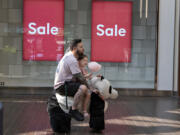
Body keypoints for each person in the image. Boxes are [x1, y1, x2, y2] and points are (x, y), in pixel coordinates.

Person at [54, 39, 89, 121]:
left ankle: (81, 110)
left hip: (64, 83)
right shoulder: (72, 60)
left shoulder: (68, 55)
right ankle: (73, 109)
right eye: (80, 47)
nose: (83, 49)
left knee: (83, 86)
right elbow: (80, 77)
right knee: (83, 88)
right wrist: (90, 88)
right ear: (74, 49)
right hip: (62, 86)